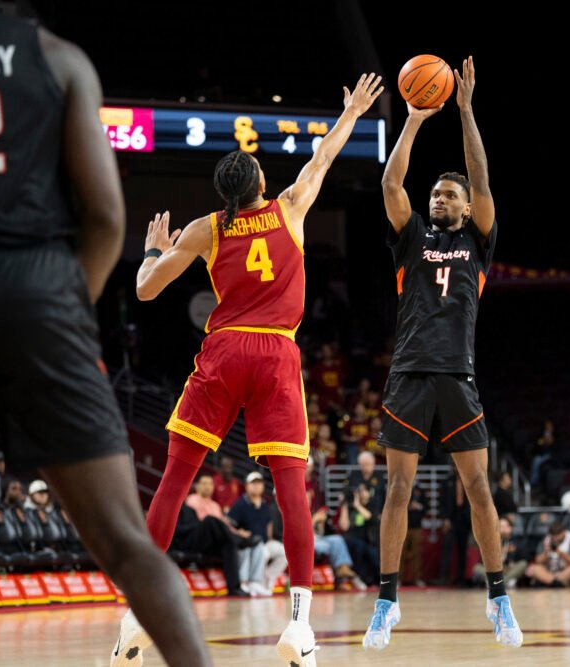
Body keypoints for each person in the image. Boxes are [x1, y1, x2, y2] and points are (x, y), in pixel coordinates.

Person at [0, 0, 211, 665]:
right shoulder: (57, 57)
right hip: (43, 296)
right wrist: (61, 312)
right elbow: (108, 218)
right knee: (127, 544)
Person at [117, 73, 384, 667]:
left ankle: (138, 612)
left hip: (223, 349)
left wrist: (155, 250)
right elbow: (324, 155)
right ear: (261, 184)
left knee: (174, 480)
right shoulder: (290, 207)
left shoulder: (205, 229)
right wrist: (352, 112)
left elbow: (145, 289)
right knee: (292, 491)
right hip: (275, 353)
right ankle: (299, 626)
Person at [364, 58, 522, 650]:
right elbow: (390, 186)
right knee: (397, 490)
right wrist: (412, 119)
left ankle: (499, 599)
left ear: (465, 207)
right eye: (435, 192)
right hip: (408, 374)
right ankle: (386, 604)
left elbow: (482, 180)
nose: (438, 197)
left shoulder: (477, 241)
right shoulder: (411, 238)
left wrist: (465, 110)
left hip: (458, 375)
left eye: (448, 194)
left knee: (479, 489)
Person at [227, 471, 273, 597]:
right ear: (246, 486)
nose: (256, 486)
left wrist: (270, 539)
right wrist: (238, 532)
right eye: (253, 483)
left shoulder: (265, 504)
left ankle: (260, 582)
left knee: (279, 551)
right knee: (250, 548)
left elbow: (269, 524)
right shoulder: (240, 504)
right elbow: (228, 523)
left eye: (259, 483)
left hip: (263, 541)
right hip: (244, 541)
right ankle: (244, 582)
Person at [524, 520, 570, 588]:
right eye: (553, 536)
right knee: (534, 569)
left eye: (557, 535)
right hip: (548, 571)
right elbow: (538, 561)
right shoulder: (546, 540)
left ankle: (553, 582)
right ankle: (555, 582)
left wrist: (560, 553)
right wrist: (546, 553)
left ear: (564, 532)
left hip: (564, 571)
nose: (555, 538)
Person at [471, 516, 527, 589]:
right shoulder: (491, 541)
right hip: (495, 569)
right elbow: (483, 560)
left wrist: (512, 556)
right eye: (500, 526)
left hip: (509, 569)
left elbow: (523, 557)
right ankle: (501, 581)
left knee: (523, 564)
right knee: (477, 567)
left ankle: (501, 582)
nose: (503, 529)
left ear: (511, 528)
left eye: (505, 526)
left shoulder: (516, 541)